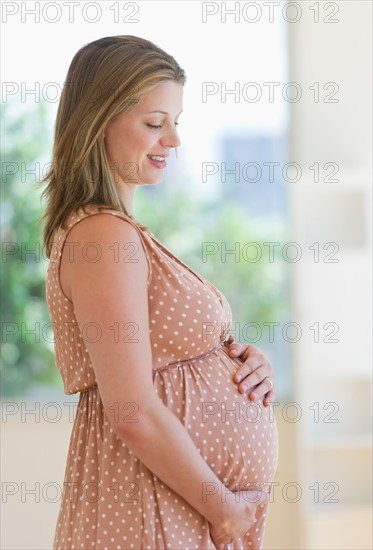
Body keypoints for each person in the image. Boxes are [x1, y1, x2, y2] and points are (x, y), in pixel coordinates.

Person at [38, 35, 279, 550]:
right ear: (98, 121)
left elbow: (166, 359)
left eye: (176, 122)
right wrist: (226, 511)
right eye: (154, 123)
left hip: (170, 506)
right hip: (150, 510)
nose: (172, 140)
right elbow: (133, 411)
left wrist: (238, 360)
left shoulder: (120, 232)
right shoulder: (102, 237)